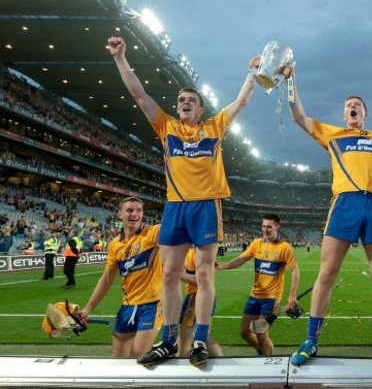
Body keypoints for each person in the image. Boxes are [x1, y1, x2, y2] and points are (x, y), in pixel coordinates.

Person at [107, 36, 260, 367]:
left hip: (205, 206)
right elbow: (138, 93)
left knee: (204, 275)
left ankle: (201, 341)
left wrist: (251, 75)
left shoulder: (214, 127)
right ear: (177, 107)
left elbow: (241, 103)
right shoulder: (167, 127)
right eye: (182, 100)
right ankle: (168, 341)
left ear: (201, 108)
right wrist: (121, 58)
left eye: (192, 100)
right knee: (169, 275)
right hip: (175, 206)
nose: (186, 102)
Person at [285, 68, 372, 369]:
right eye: (348, 105)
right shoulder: (334, 135)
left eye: (357, 104)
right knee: (327, 273)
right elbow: (298, 117)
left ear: (365, 113)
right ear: (345, 114)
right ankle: (311, 341)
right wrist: (290, 80)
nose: (352, 107)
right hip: (345, 203)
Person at [79, 197, 163, 357]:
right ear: (120, 214)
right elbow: (106, 280)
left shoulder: (152, 233)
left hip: (152, 305)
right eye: (130, 210)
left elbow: (173, 225)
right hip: (127, 306)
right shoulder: (114, 245)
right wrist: (88, 308)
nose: (135, 214)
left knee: (137, 356)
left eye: (139, 210)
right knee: (118, 359)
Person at [216, 214, 299, 355]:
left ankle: (268, 362)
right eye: (263, 226)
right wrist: (223, 266)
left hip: (271, 298)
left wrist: (292, 295)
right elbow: (241, 259)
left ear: (277, 227)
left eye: (269, 227)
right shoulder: (256, 244)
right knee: (244, 332)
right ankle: (263, 352)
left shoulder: (285, 248)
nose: (265, 229)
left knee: (261, 333)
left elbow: (295, 270)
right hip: (254, 296)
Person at [178, 247, 223, 357]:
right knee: (203, 338)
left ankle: (181, 370)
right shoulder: (193, 251)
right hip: (198, 296)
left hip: (196, 297)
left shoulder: (198, 253)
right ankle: (222, 364)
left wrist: (176, 274)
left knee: (185, 342)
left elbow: (202, 280)